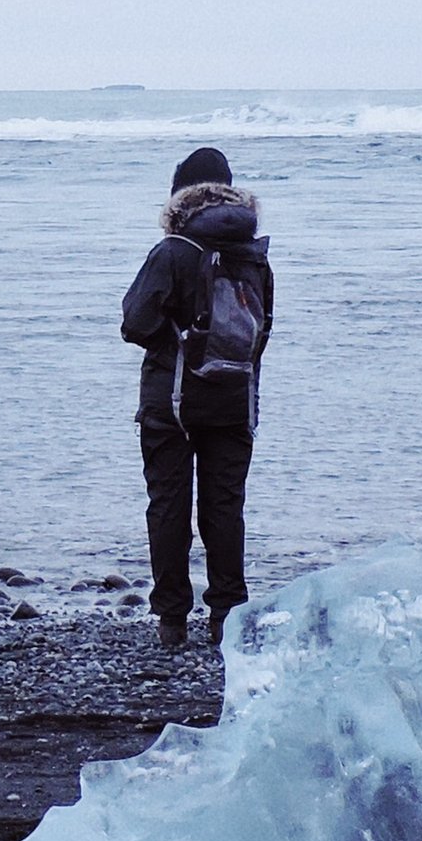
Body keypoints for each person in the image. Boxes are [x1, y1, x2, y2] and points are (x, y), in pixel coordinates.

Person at [121, 147, 273, 648]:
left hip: (172, 403)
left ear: (178, 194)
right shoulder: (254, 254)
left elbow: (135, 324)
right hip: (233, 398)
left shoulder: (173, 250)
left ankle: (171, 621)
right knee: (225, 508)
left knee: (168, 506)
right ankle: (226, 616)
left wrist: (175, 337)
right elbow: (262, 329)